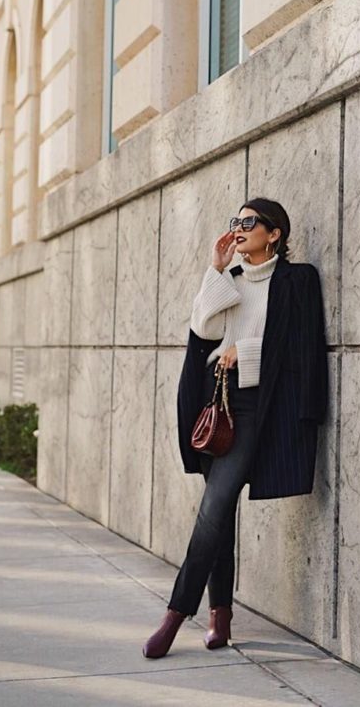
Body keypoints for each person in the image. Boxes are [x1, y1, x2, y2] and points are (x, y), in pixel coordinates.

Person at [142, 197, 328, 658]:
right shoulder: (232, 280)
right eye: (236, 221)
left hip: (255, 408)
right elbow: (202, 331)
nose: (239, 228)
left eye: (249, 222)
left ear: (275, 233)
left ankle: (175, 615)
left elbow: (301, 348)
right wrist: (216, 268)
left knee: (213, 508)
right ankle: (219, 616)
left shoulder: (297, 280)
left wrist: (243, 353)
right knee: (220, 512)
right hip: (214, 405)